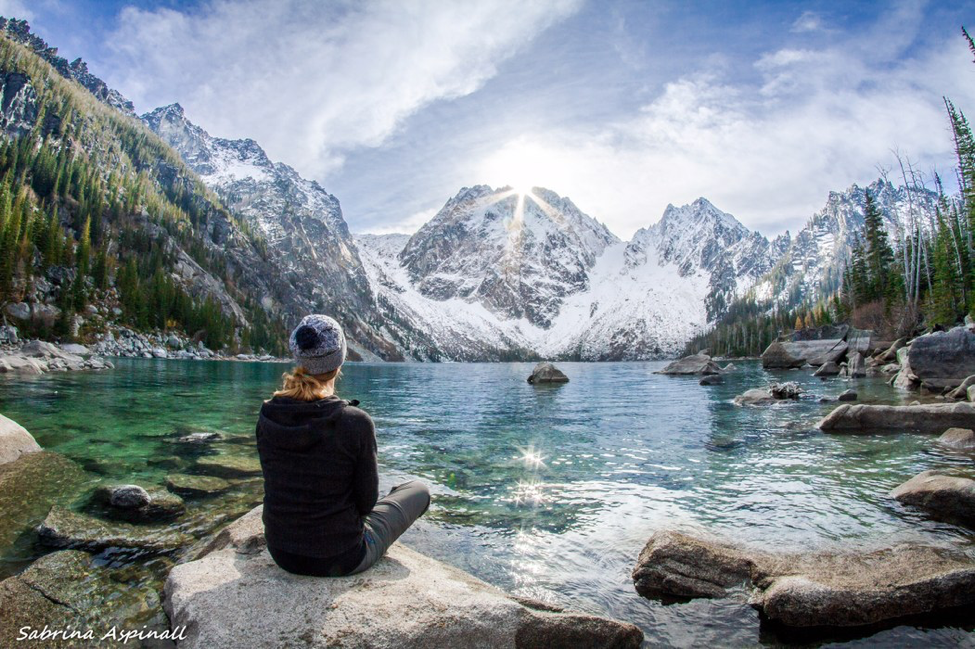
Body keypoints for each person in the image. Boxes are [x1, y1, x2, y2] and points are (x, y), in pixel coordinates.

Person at [256, 314, 430, 576]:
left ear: (298, 358)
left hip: (282, 553)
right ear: (339, 362)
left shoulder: (268, 413)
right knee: (418, 490)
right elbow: (366, 504)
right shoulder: (355, 422)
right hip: (342, 556)